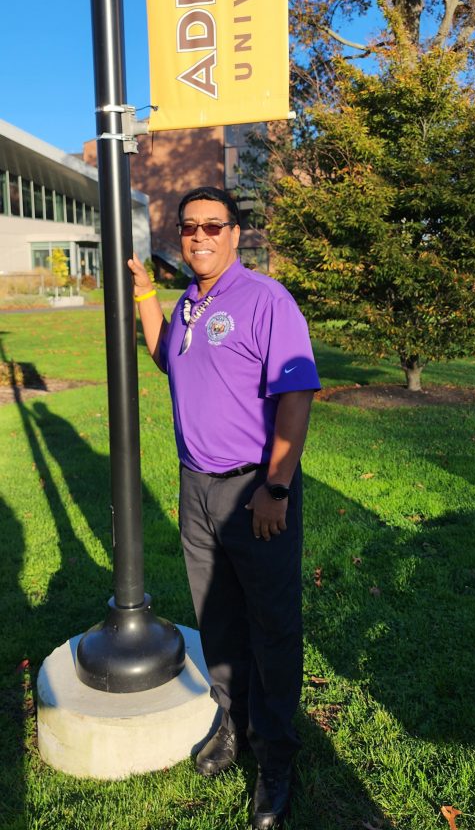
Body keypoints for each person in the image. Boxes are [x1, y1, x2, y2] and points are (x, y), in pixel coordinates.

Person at [128, 186, 320, 830]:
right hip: (196, 490)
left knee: (271, 627)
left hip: (252, 492)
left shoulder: (266, 299)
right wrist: (144, 295)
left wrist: (275, 487)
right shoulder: (188, 303)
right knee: (219, 622)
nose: (200, 236)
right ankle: (233, 724)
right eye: (189, 228)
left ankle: (275, 756)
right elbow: (167, 361)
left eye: (213, 225)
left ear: (236, 233)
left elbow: (296, 396)